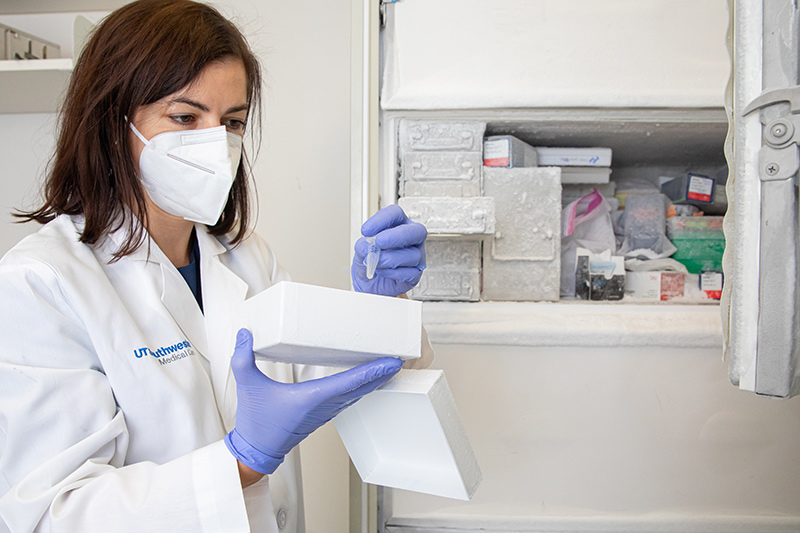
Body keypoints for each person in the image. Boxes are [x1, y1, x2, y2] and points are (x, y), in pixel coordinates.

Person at [0, 1, 428, 531]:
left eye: (231, 122)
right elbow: (54, 515)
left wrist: (379, 314)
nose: (215, 144)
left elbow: (345, 381)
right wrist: (243, 459)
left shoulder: (248, 257)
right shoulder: (42, 283)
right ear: (114, 121)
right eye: (185, 117)